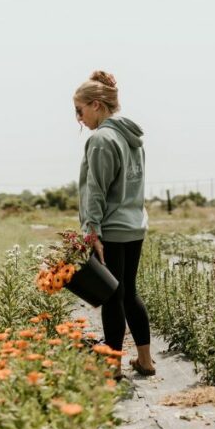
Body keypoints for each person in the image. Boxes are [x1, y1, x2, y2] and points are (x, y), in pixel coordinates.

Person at [75, 70, 156, 377]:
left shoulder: (101, 140)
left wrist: (92, 230)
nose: (80, 119)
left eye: (80, 111)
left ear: (96, 105)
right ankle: (145, 360)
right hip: (135, 224)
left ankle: (114, 366)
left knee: (112, 296)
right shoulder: (132, 138)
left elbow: (96, 190)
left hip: (111, 228)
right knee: (129, 292)